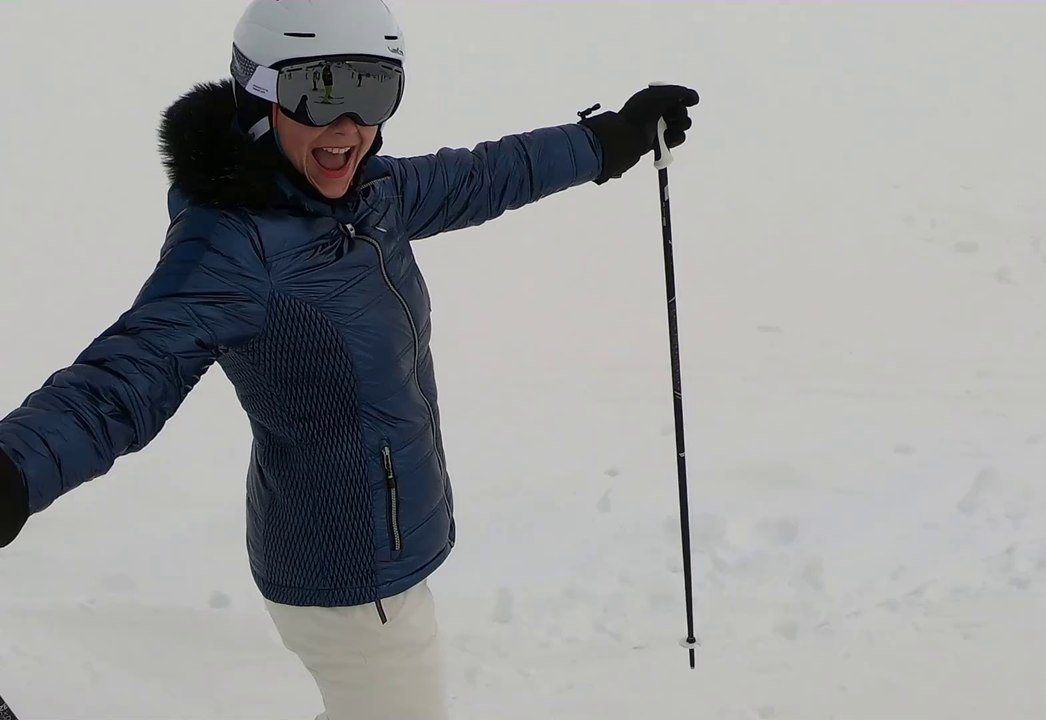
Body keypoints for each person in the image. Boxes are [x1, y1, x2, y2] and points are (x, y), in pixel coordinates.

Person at [0, 0, 698, 717]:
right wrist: (15, 467)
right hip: (352, 581)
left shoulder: (371, 197)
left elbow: (488, 174)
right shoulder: (234, 248)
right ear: (259, 96)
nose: (350, 128)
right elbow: (123, 378)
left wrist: (611, 140)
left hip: (375, 542)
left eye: (374, 92)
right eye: (321, 92)